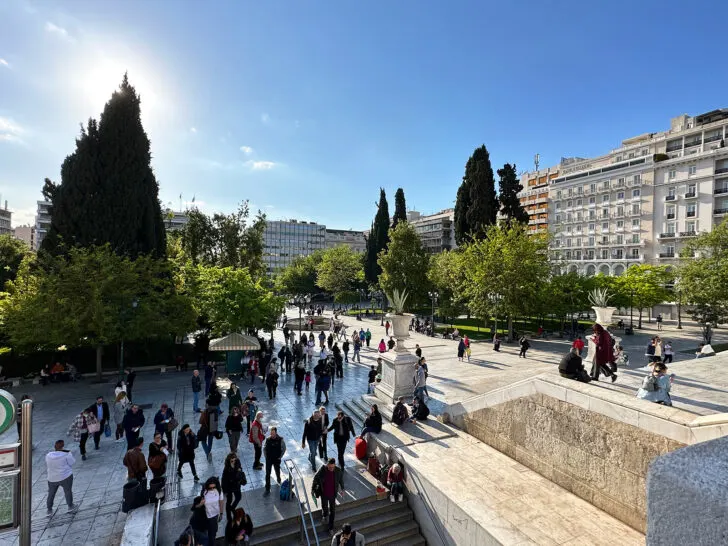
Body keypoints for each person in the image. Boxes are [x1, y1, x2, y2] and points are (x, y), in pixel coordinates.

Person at [45, 440, 79, 515]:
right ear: (63, 446)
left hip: (52, 478)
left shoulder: (48, 455)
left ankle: (49, 510)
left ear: (55, 446)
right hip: (65, 476)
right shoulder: (66, 454)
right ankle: (70, 506)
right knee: (67, 491)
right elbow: (72, 462)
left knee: (51, 493)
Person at [312, 458, 345, 534]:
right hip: (324, 493)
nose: (331, 469)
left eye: (333, 467)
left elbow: (341, 480)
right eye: (330, 467)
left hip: (333, 494)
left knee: (333, 511)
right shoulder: (322, 469)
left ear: (335, 465)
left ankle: (331, 528)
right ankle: (325, 515)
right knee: (324, 505)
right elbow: (315, 478)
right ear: (327, 465)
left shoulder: (338, 471)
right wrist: (313, 489)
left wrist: (342, 489)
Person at [221, 453, 246, 521]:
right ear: (229, 461)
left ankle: (232, 508)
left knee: (238, 497)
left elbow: (240, 473)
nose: (234, 462)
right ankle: (229, 516)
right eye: (232, 461)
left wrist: (239, 473)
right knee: (229, 501)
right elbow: (223, 480)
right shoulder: (226, 469)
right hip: (229, 486)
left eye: (235, 460)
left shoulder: (238, 464)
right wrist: (224, 490)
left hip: (236, 485)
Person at [202, 477, 224, 546]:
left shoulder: (219, 491)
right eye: (210, 488)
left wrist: (221, 513)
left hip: (215, 514)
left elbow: (221, 502)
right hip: (206, 515)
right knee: (211, 533)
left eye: (213, 487)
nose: (212, 489)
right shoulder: (204, 492)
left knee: (213, 531)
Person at [263, 426, 286, 492]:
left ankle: (278, 479)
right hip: (269, 459)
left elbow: (284, 448)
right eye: (271, 433)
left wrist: (280, 456)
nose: (272, 435)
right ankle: (267, 487)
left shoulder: (280, 440)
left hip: (276, 459)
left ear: (276, 433)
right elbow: (264, 448)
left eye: (273, 433)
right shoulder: (268, 439)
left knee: (277, 471)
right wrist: (266, 457)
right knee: (267, 474)